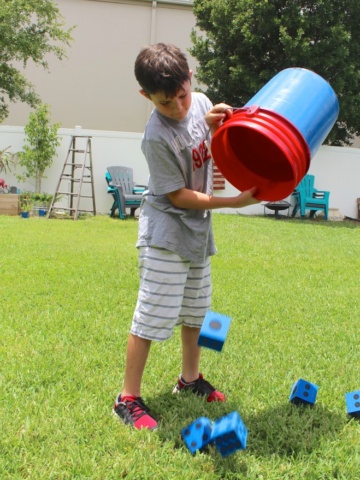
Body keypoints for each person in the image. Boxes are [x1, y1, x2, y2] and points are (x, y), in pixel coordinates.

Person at [114, 43, 259, 430]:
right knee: (152, 315)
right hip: (165, 233)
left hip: (197, 230)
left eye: (181, 95)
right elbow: (178, 195)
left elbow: (208, 152)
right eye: (165, 103)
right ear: (146, 96)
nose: (178, 108)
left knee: (198, 310)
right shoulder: (155, 137)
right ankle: (127, 398)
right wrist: (232, 202)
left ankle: (189, 380)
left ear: (189, 78)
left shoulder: (201, 104)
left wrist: (215, 130)